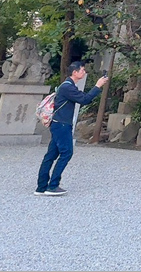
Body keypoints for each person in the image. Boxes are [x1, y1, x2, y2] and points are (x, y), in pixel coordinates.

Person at [35, 61, 108, 196]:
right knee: (67, 152)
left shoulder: (67, 86)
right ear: (74, 72)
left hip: (58, 123)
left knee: (51, 155)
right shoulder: (68, 87)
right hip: (62, 125)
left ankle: (41, 186)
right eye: (82, 70)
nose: (84, 72)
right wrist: (98, 86)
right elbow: (85, 99)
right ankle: (53, 186)